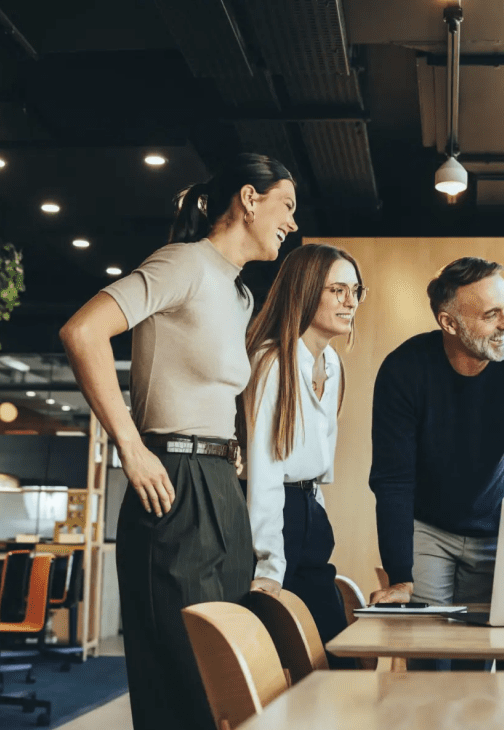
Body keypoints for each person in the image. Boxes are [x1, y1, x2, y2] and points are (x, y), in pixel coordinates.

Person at [59, 153, 298, 730]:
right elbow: (82, 332)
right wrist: (131, 448)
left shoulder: (239, 294)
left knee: (227, 681)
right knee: (184, 682)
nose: (292, 222)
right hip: (173, 482)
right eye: (286, 206)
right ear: (248, 198)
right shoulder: (183, 264)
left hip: (221, 485)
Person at [369, 257, 504, 612]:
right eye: (491, 314)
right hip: (427, 527)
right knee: (429, 651)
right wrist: (399, 577)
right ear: (449, 323)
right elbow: (393, 479)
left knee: (480, 651)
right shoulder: (403, 370)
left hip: (499, 527)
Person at [242, 243, 364, 670]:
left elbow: (317, 464)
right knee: (286, 664)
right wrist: (270, 564)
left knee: (335, 656)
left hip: (310, 512)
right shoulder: (272, 361)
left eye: (355, 290)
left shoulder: (330, 363)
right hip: (276, 518)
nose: (350, 301)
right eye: (337, 290)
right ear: (306, 291)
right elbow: (264, 471)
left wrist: (317, 512)